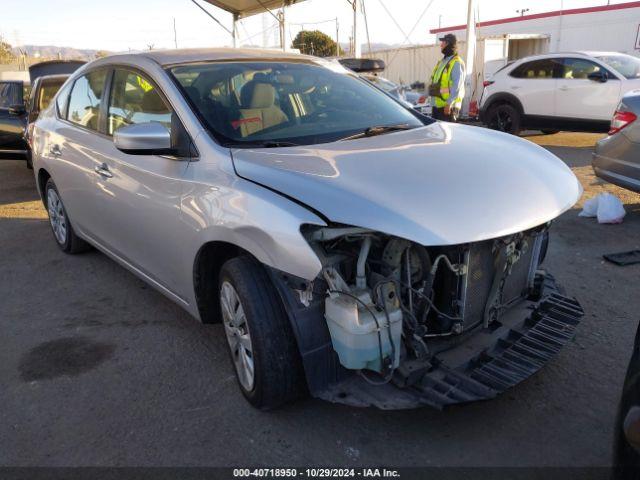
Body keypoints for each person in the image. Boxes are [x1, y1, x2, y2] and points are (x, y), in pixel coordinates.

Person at [429, 33, 465, 122]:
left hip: (448, 108)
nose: (441, 45)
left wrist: (449, 103)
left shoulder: (456, 62)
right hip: (437, 107)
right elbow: (436, 82)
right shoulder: (442, 62)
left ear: (449, 44)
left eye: (443, 42)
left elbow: (457, 86)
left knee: (448, 135)